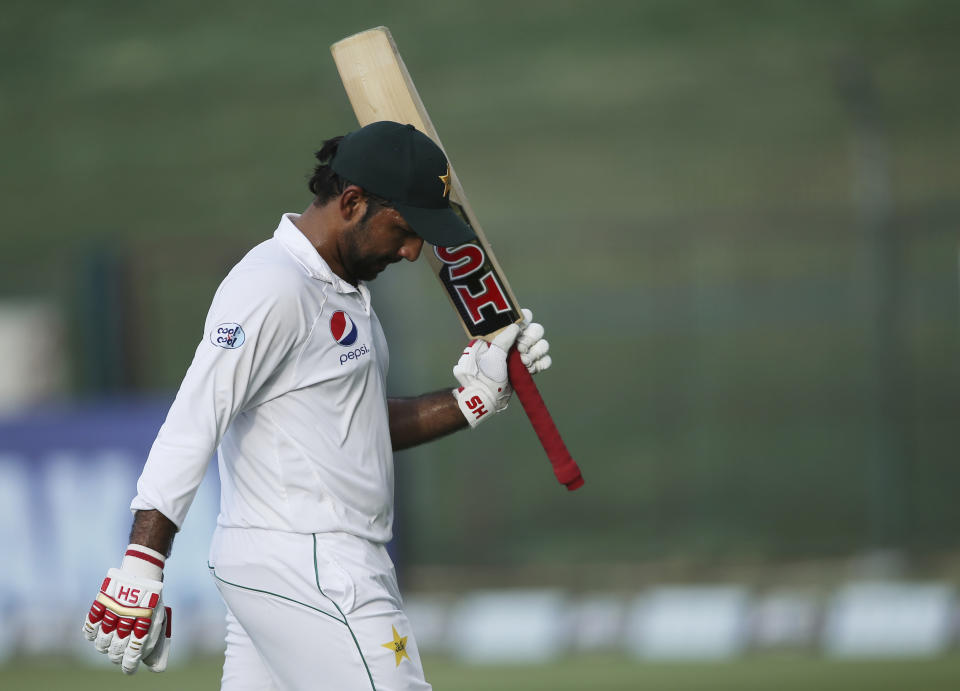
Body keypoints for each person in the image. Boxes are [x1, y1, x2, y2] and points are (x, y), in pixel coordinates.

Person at [81, 121, 552, 690]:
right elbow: (194, 418)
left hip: (299, 564)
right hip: (311, 564)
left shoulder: (340, 287)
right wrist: (143, 561)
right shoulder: (273, 287)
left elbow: (353, 427)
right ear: (352, 202)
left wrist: (473, 399)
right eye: (404, 229)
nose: (411, 251)